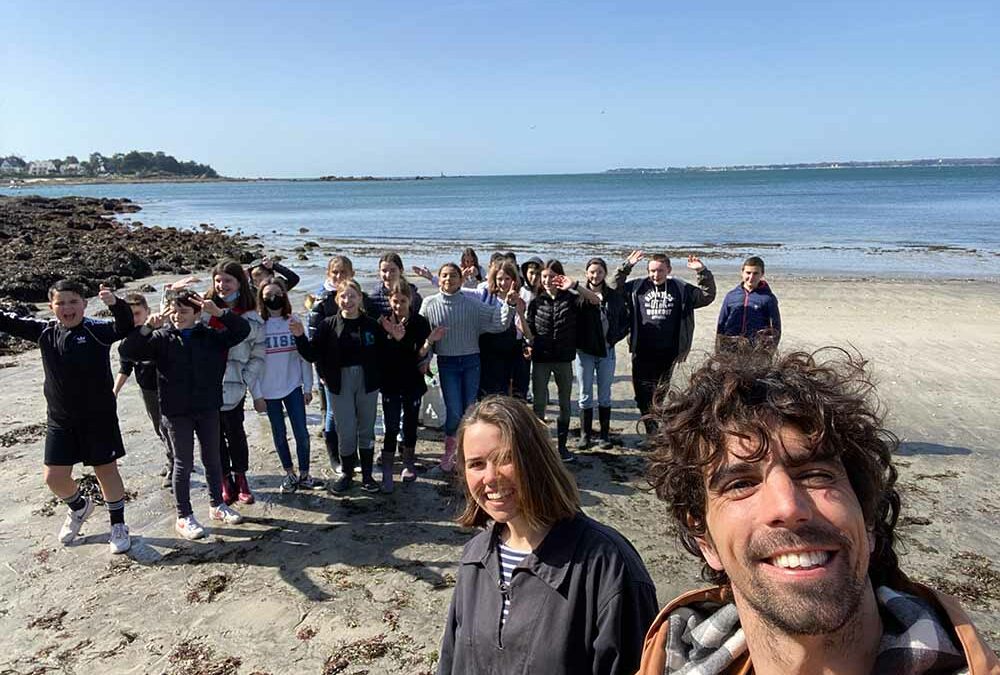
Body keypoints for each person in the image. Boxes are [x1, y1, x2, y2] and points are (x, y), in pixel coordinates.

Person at [638, 347, 1000, 675]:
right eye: (741, 484)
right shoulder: (667, 661)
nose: (788, 507)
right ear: (706, 541)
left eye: (815, 474)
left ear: (868, 517)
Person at [437, 396, 659, 674]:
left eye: (505, 458)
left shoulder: (608, 566)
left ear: (536, 460)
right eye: (477, 464)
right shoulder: (475, 558)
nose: (491, 477)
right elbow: (451, 661)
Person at [1, 281, 134, 554]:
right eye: (60, 303)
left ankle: (118, 524)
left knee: (106, 471)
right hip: (60, 420)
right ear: (51, 307)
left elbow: (125, 327)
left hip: (98, 417)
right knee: (54, 477)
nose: (67, 308)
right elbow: (5, 321)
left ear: (85, 304)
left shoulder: (96, 330)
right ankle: (79, 507)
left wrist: (115, 303)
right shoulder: (44, 332)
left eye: (73, 301)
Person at [121, 290, 249, 540]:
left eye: (184, 311)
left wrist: (220, 313)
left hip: (208, 407)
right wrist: (147, 327)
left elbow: (242, 331)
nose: (178, 316)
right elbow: (127, 351)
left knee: (213, 459)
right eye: (174, 311)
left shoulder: (210, 336)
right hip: (175, 410)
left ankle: (217, 505)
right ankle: (184, 516)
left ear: (197, 313)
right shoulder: (160, 338)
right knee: (183, 463)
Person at [419, 263, 517, 473]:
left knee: (470, 409)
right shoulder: (428, 304)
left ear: (460, 280)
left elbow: (498, 323)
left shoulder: (472, 304)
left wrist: (509, 306)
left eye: (453, 276)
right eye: (444, 275)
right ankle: (449, 452)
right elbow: (421, 336)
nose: (448, 279)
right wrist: (425, 358)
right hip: (447, 363)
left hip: (472, 361)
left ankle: (467, 453)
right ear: (439, 278)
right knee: (454, 411)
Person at [292, 279, 386, 493]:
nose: (348, 300)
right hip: (339, 382)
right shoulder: (327, 325)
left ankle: (368, 476)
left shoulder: (372, 324)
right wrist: (299, 337)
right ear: (337, 299)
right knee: (346, 429)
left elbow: (385, 355)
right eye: (343, 296)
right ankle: (347, 474)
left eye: (352, 295)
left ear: (360, 298)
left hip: (367, 381)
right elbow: (312, 353)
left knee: (366, 427)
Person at [613, 250, 716, 439]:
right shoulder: (637, 287)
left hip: (668, 352)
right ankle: (651, 428)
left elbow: (706, 296)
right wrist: (626, 266)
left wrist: (702, 271)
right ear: (647, 270)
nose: (656, 275)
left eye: (660, 271)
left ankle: (656, 428)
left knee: (660, 393)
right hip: (641, 351)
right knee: (642, 394)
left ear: (668, 270)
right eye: (652, 271)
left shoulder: (680, 288)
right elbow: (613, 288)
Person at [204, 260, 266, 505]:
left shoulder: (251, 316)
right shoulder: (204, 312)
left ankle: (242, 479)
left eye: (228, 281)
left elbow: (259, 352)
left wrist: (245, 379)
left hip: (235, 386)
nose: (222, 286)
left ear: (240, 282)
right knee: (213, 436)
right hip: (207, 385)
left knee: (236, 433)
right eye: (218, 281)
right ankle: (224, 480)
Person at [526, 259, 599, 462]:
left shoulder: (572, 299)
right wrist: (528, 345)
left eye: (552, 276)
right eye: (544, 277)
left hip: (564, 360)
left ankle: (563, 447)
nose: (547, 280)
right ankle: (540, 447)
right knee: (539, 404)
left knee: (565, 404)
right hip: (541, 359)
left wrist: (574, 285)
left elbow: (595, 300)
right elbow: (529, 330)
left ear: (560, 277)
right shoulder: (535, 302)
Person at [253, 281, 322, 494]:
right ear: (261, 298)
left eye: (277, 293)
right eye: (268, 294)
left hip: (293, 386)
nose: (273, 297)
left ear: (284, 295)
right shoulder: (257, 325)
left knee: (301, 433)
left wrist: (308, 387)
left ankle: (304, 474)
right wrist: (256, 395)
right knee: (279, 434)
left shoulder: (294, 321)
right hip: (268, 391)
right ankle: (289, 473)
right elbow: (252, 365)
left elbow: (304, 358)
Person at [377, 280, 436, 492]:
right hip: (390, 382)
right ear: (389, 300)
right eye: (395, 301)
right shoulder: (382, 321)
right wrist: (392, 337)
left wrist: (426, 343)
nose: (399, 305)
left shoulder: (420, 322)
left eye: (403, 301)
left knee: (410, 425)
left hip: (412, 381)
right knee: (391, 426)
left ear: (410, 300)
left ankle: (409, 463)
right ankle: (388, 468)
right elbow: (379, 355)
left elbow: (419, 354)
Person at [306, 254, 362, 470]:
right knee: (332, 413)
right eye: (335, 272)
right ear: (328, 274)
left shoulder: (356, 296)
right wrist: (320, 371)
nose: (339, 276)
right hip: (329, 370)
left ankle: (352, 455)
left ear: (352, 274)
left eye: (343, 272)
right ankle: (335, 457)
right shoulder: (321, 302)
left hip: (354, 368)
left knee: (353, 413)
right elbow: (314, 342)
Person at [113, 292, 174, 489]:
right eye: (130, 315)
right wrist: (113, 392)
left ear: (147, 311)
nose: (135, 318)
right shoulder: (129, 339)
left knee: (171, 427)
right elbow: (125, 368)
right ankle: (171, 456)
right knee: (159, 428)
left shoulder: (161, 330)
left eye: (138, 313)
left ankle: (175, 464)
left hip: (170, 386)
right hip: (147, 390)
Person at [574, 258, 629, 450]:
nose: (595, 275)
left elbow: (625, 320)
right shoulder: (579, 295)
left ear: (605, 273)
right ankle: (585, 435)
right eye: (591, 272)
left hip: (606, 351)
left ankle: (604, 435)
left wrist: (613, 338)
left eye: (599, 272)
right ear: (586, 273)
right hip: (584, 352)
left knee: (605, 394)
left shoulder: (613, 296)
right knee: (585, 394)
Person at [476, 260, 532, 399]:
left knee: (514, 396)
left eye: (507, 279)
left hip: (513, 354)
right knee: (489, 396)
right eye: (500, 279)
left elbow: (527, 334)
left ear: (514, 279)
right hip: (489, 354)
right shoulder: (486, 296)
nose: (503, 283)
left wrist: (519, 311)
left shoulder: (521, 298)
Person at [716, 255, 781, 351]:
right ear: (742, 273)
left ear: (762, 274)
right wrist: (718, 349)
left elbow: (776, 328)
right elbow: (721, 324)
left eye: (755, 273)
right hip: (731, 347)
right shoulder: (731, 296)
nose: (751, 277)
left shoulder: (768, 298)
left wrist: (770, 350)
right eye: (748, 273)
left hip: (756, 349)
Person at [367, 252, 423, 317]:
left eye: (392, 271)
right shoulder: (373, 297)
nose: (388, 275)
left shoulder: (413, 296)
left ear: (401, 271)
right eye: (384, 271)